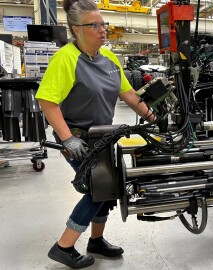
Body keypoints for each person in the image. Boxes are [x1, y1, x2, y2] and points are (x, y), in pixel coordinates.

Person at [35, 0, 155, 268]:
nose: (103, 30)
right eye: (95, 25)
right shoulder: (65, 59)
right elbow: (48, 102)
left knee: (108, 187)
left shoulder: (110, 58)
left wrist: (152, 116)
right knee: (95, 188)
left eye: (104, 24)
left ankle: (96, 241)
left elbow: (127, 93)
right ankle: (63, 246)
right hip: (78, 137)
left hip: (104, 135)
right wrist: (67, 139)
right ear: (77, 29)